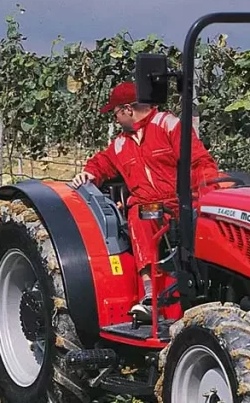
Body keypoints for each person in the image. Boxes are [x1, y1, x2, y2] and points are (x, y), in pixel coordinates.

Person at [71, 81, 220, 322]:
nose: (115, 120)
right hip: (149, 207)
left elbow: (200, 163)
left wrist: (208, 197)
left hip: (180, 202)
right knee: (139, 214)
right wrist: (89, 173)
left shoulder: (169, 126)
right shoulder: (120, 144)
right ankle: (150, 297)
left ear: (128, 109)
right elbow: (101, 163)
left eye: (116, 113)